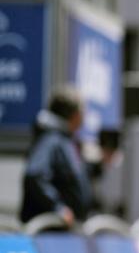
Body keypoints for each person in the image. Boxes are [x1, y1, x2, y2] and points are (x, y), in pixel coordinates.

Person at [20, 86, 91, 225]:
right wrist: (57, 208)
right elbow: (34, 175)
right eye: (83, 111)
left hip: (65, 232)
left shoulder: (65, 140)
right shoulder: (51, 139)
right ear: (74, 114)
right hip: (49, 232)